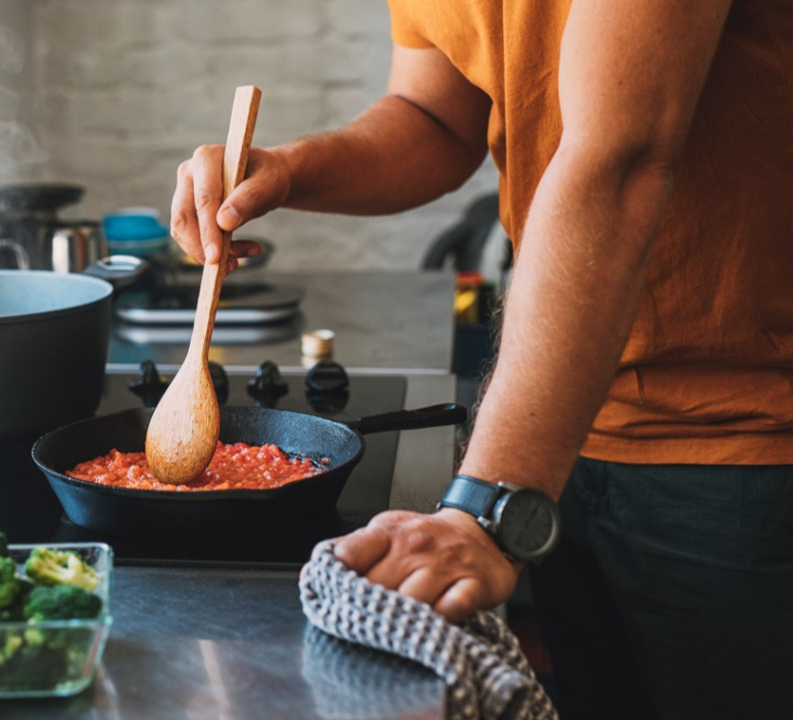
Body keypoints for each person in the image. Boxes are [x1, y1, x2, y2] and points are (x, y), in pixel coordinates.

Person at [168, 1, 793, 717]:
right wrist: (289, 170)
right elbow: (433, 117)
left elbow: (619, 162)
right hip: (569, 422)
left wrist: (489, 506)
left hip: (745, 441)